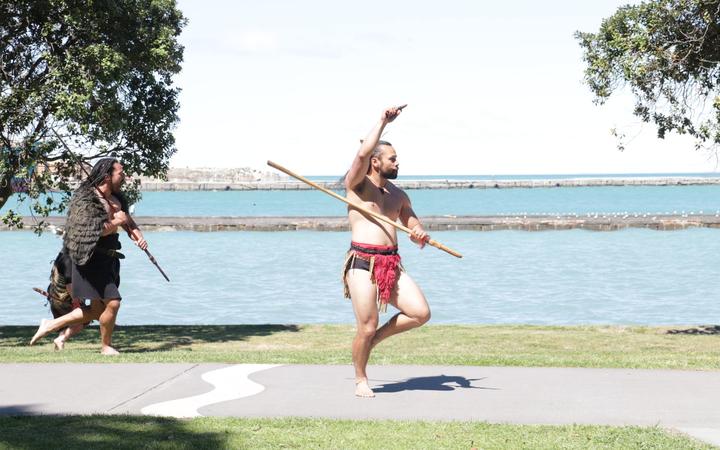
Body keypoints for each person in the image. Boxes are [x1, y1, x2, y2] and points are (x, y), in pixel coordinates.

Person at [342, 105, 431, 397]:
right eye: (393, 159)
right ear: (376, 162)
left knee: (420, 313)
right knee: (365, 326)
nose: (398, 162)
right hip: (362, 263)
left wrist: (418, 232)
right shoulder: (356, 186)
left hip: (391, 264)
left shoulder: (398, 194)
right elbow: (360, 155)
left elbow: (411, 221)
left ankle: (377, 338)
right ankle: (360, 379)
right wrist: (382, 121)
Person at [30, 158, 148, 355]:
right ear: (107, 176)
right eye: (120, 172)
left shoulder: (118, 198)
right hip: (89, 259)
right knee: (113, 302)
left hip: (110, 259)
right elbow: (89, 231)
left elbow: (129, 222)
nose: (124, 177)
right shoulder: (87, 200)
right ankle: (106, 346)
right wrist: (116, 221)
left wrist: (139, 238)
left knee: (96, 310)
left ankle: (50, 325)